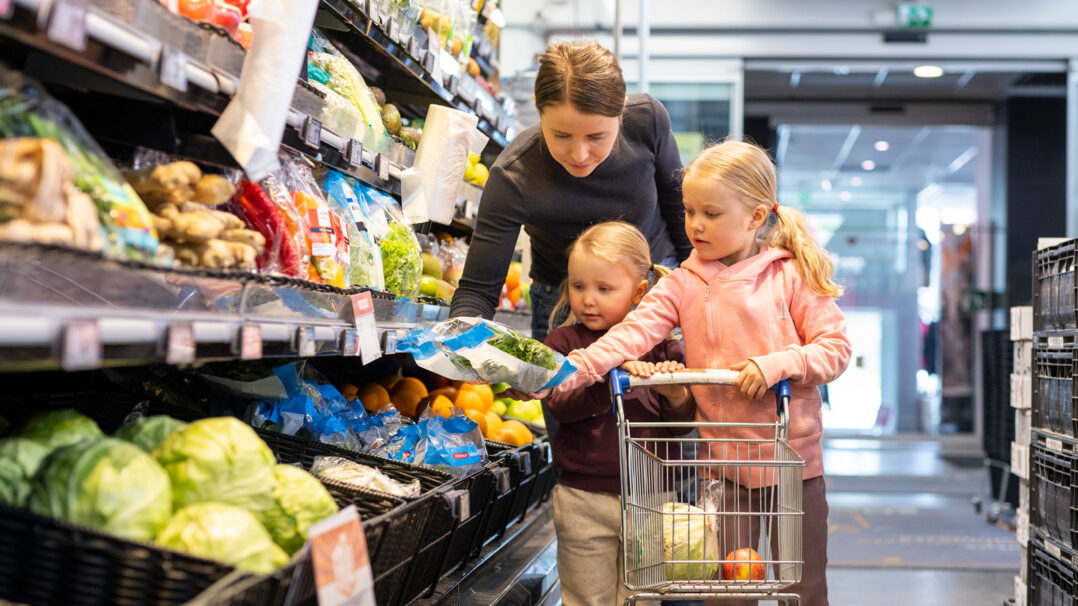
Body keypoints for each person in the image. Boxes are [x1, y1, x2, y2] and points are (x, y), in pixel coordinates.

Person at [550, 141, 852, 606]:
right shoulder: (681, 283)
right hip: (722, 470)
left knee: (803, 589)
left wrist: (777, 364)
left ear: (755, 217)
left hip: (793, 467)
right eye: (690, 210)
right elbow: (631, 333)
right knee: (727, 593)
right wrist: (570, 370)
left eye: (711, 213)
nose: (695, 224)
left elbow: (835, 350)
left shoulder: (789, 277)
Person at [449, 40, 692, 343]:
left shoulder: (648, 120)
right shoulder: (514, 175)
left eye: (596, 136)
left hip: (656, 289)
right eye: (561, 135)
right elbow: (478, 290)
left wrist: (701, 288)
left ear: (621, 111)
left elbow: (681, 209)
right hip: (565, 304)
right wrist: (459, 343)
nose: (579, 155)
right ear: (539, 110)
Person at [543, 221, 697, 606]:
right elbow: (559, 406)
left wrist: (673, 392)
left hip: (651, 497)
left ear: (639, 292)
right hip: (583, 499)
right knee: (585, 597)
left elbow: (683, 426)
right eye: (578, 286)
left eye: (604, 289)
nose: (588, 300)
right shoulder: (564, 343)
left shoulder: (663, 348)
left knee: (642, 597)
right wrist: (607, 375)